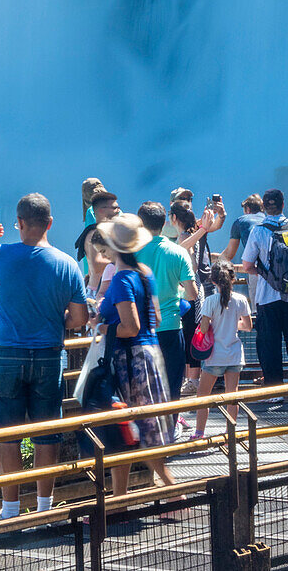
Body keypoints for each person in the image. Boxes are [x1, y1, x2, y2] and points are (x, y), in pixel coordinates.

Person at [0, 193, 88, 520]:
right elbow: (79, 318)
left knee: (8, 435)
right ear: (50, 223)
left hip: (7, 356)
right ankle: (44, 508)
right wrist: (55, 321)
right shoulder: (66, 264)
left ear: (19, 224)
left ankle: (10, 510)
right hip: (49, 357)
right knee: (47, 434)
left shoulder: (1, 255)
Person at [94, 213, 177, 497]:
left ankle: (175, 493)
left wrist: (102, 326)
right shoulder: (145, 273)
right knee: (130, 429)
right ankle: (120, 499)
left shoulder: (121, 280)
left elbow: (131, 327)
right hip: (149, 354)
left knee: (135, 428)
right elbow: (154, 317)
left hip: (131, 361)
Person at [242, 189, 288, 397]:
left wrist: (266, 274)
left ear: (264, 208)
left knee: (269, 343)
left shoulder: (258, 230)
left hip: (268, 296)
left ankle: (274, 389)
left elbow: (247, 265)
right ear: (284, 205)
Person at [136, 201, 199, 421]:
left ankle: (147, 437)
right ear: (164, 223)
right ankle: (169, 434)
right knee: (172, 385)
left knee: (144, 386)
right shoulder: (177, 252)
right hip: (171, 327)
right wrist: (176, 292)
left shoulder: (131, 254)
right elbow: (192, 294)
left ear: (140, 223)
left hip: (141, 329)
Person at [191, 261, 252, 439]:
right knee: (232, 396)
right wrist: (233, 324)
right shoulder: (240, 300)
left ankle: (199, 432)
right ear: (233, 278)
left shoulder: (210, 301)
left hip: (214, 356)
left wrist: (213, 324)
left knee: (203, 396)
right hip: (234, 355)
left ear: (214, 281)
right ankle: (230, 433)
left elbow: (203, 329)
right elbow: (247, 326)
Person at [169, 198, 216, 395]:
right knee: (191, 332)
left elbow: (191, 264)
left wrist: (203, 229)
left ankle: (193, 380)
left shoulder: (184, 238)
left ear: (173, 218)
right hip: (196, 291)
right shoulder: (191, 235)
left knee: (190, 334)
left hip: (192, 292)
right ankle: (192, 379)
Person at [219, 194, 264, 309]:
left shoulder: (241, 221)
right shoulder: (268, 220)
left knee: (258, 310)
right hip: (277, 270)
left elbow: (229, 253)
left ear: (247, 209)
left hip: (257, 270)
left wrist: (217, 263)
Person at [75, 188, 120, 267]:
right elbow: (97, 262)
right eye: (114, 208)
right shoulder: (93, 234)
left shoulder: (104, 231)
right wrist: (123, 258)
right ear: (101, 210)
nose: (118, 210)